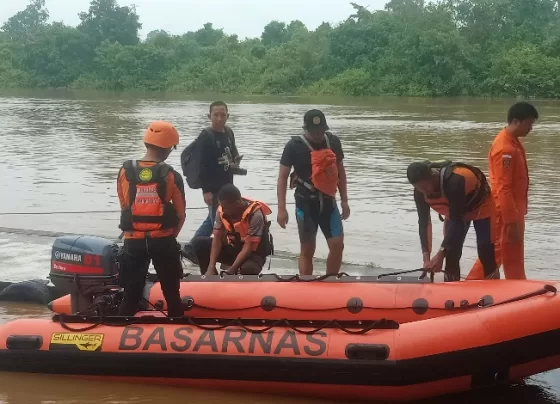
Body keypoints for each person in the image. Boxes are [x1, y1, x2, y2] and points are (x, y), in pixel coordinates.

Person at [116, 121, 186, 317]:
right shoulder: (171, 174)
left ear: (147, 142)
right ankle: (177, 329)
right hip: (163, 240)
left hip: (133, 242)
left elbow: (124, 206)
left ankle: (120, 332)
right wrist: (169, 236)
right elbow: (181, 215)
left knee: (130, 295)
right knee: (172, 295)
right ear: (168, 148)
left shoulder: (125, 171)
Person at [467, 102, 538, 281]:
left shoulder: (513, 142)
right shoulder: (505, 148)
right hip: (506, 211)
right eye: (529, 123)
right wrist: (511, 220)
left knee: (512, 254)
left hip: (513, 210)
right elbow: (502, 187)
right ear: (516, 121)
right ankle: (471, 285)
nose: (531, 128)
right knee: (496, 253)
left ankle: (518, 287)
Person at [277, 109, 350, 276]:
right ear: (305, 128)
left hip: (329, 202)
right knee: (308, 248)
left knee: (338, 245)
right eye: (314, 131)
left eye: (321, 130)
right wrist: (282, 208)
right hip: (305, 203)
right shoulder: (293, 146)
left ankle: (330, 280)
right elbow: (282, 178)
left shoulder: (333, 142)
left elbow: (341, 172)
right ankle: (306, 284)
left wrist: (344, 201)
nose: (318, 134)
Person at [407, 160, 499, 282]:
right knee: (451, 253)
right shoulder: (419, 192)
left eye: (424, 187)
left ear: (433, 177)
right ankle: (451, 289)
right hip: (455, 212)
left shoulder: (455, 182)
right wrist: (426, 260)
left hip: (481, 208)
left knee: (485, 252)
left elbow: (458, 223)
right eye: (418, 188)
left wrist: (440, 254)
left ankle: (493, 286)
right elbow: (424, 223)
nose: (423, 191)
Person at [181, 101, 243, 264]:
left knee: (214, 218)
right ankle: (205, 250)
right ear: (209, 116)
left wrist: (235, 163)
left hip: (227, 185)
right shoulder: (206, 136)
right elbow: (201, 165)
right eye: (216, 114)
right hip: (212, 187)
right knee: (220, 220)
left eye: (223, 114)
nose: (219, 118)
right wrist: (206, 190)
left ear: (228, 116)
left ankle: (191, 247)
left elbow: (233, 153)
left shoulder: (229, 133)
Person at [191, 184, 273, 275]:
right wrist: (211, 266)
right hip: (234, 249)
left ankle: (238, 272)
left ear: (237, 204)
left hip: (253, 254)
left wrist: (231, 271)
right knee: (198, 243)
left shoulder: (255, 215)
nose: (223, 210)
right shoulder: (221, 210)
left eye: (226, 208)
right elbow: (217, 239)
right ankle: (209, 274)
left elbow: (249, 246)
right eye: (222, 206)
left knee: (248, 269)